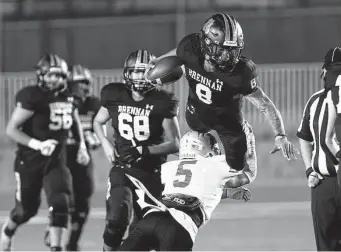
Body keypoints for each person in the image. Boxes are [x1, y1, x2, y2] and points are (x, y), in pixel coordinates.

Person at [147, 12, 298, 173]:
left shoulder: (241, 73)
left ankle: (246, 134)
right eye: (222, 49)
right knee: (194, 164)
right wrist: (159, 60)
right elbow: (179, 52)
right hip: (197, 112)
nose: (227, 57)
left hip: (228, 120)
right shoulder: (190, 48)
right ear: (206, 43)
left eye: (232, 51)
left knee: (238, 171)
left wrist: (280, 135)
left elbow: (264, 104)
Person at [93, 49, 181, 251]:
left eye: (145, 72)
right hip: (123, 169)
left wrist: (145, 150)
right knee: (116, 218)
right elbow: (98, 122)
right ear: (127, 73)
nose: (140, 77)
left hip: (152, 174)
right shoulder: (114, 94)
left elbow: (176, 143)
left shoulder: (162, 101)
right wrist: (105, 143)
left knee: (143, 235)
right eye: (136, 72)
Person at [0, 54, 90, 252]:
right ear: (41, 75)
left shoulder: (68, 95)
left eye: (59, 76)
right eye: (50, 75)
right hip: (29, 161)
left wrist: (82, 145)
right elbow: (11, 129)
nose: (55, 80)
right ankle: (7, 231)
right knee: (26, 211)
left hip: (56, 160)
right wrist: (38, 144)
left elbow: (74, 119)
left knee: (61, 204)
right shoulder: (32, 96)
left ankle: (56, 248)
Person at [119, 122, 256, 251]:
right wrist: (249, 137)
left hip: (150, 219)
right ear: (207, 148)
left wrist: (228, 193)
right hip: (179, 227)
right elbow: (249, 173)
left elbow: (187, 190)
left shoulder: (168, 168)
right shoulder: (214, 164)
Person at [44, 64, 101, 251]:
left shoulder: (94, 104)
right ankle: (54, 226)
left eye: (86, 82)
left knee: (83, 202)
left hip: (81, 159)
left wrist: (95, 138)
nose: (85, 86)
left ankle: (72, 243)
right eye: (80, 82)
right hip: (61, 157)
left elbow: (101, 134)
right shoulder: (60, 101)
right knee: (62, 199)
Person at [297, 46, 341, 251]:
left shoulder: (321, 99)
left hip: (325, 181)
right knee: (326, 246)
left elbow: (308, 138)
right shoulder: (315, 100)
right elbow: (304, 137)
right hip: (323, 182)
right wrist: (309, 169)